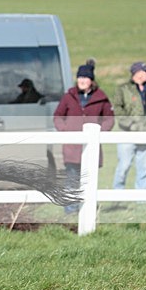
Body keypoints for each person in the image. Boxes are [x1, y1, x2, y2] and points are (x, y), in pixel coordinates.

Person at [53, 59, 115, 213]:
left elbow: (109, 118)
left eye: (85, 78)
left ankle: (88, 210)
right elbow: (58, 116)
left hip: (92, 147)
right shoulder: (69, 97)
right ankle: (71, 211)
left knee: (89, 180)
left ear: (91, 80)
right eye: (80, 77)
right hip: (72, 147)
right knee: (71, 179)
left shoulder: (101, 98)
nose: (81, 80)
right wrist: (65, 130)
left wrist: (100, 132)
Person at [112, 61, 146, 190]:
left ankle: (142, 199)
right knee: (124, 166)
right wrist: (132, 125)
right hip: (127, 134)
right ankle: (117, 195)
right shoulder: (123, 89)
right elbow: (118, 109)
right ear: (138, 73)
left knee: (144, 167)